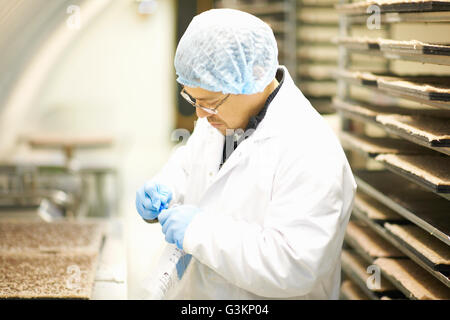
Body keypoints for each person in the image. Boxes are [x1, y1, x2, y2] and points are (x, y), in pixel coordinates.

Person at [136, 8, 356, 299]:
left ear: (253, 77)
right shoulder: (219, 119)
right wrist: (166, 186)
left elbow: (293, 266)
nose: (201, 113)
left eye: (210, 101)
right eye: (193, 98)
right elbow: (191, 165)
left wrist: (199, 232)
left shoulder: (310, 149)